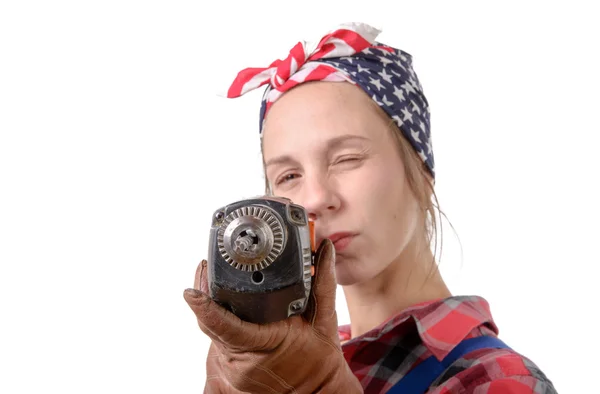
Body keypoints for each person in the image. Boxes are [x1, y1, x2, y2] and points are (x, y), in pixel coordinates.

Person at [183, 22, 557, 393]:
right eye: (288, 176)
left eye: (346, 159)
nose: (314, 199)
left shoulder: (498, 381)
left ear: (421, 170)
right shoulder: (286, 359)